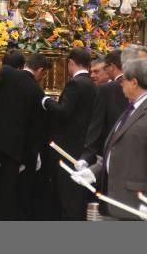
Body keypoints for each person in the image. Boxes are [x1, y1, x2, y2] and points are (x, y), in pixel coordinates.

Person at [73, 58, 147, 220]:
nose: (121, 84)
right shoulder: (134, 106)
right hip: (116, 199)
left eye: (124, 80)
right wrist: (94, 171)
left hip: (136, 203)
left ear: (134, 82)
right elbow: (116, 147)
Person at [0, 51, 45, 220]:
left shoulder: (7, 73)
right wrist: (30, 157)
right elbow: (34, 128)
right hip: (15, 148)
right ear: (41, 71)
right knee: (7, 192)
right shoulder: (37, 90)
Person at [42, 48, 97, 220]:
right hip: (83, 145)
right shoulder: (92, 84)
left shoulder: (75, 84)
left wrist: (46, 101)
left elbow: (64, 112)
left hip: (67, 148)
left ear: (71, 63)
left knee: (67, 196)